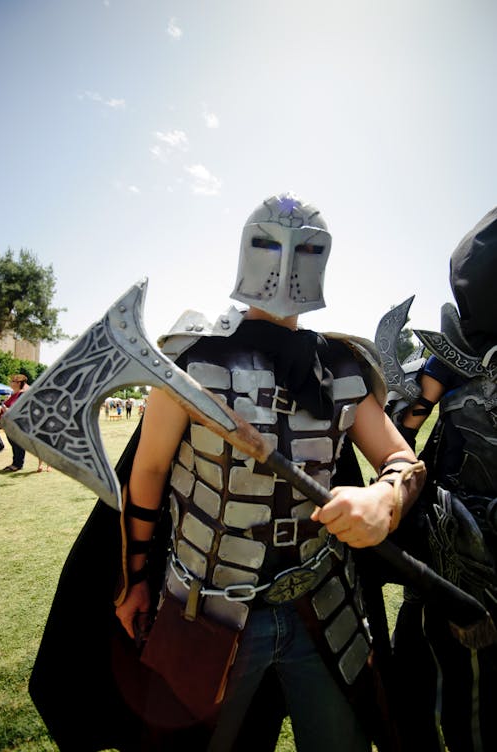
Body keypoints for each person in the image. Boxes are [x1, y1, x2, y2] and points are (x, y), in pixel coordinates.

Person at [113, 192, 426, 751]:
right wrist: (134, 578)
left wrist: (386, 500)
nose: (285, 261)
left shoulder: (341, 365)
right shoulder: (192, 360)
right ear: (245, 250)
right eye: (268, 242)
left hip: (325, 602)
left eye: (307, 247)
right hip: (205, 605)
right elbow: (150, 474)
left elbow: (403, 460)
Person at [391, 206, 497, 752]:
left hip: (465, 565)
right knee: (430, 688)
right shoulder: (454, 355)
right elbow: (396, 434)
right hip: (449, 555)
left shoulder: (455, 357)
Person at [0, 373, 28, 472]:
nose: (10, 382)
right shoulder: (13, 395)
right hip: (9, 425)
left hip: (17, 424)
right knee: (14, 445)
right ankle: (15, 463)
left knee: (18, 445)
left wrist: (6, 409)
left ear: (19, 383)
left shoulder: (22, 394)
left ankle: (18, 464)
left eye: (12, 381)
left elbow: (18, 411)